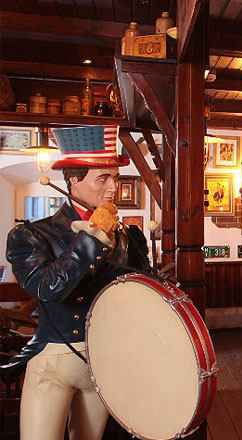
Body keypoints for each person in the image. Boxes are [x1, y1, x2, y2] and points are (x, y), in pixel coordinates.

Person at [3, 125, 150, 440]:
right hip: (52, 361)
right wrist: (92, 238)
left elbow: (141, 291)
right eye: (103, 179)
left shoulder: (128, 236)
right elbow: (48, 289)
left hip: (103, 359)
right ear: (73, 180)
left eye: (115, 178)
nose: (113, 189)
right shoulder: (32, 235)